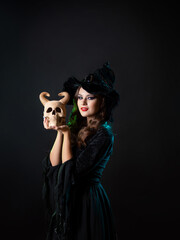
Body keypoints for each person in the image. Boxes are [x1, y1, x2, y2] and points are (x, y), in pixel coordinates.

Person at [42, 62, 120, 240]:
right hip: (69, 201)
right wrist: (61, 132)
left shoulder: (104, 134)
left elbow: (73, 171)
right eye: (79, 97)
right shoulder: (74, 127)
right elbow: (55, 167)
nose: (83, 102)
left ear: (102, 101)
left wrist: (66, 132)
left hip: (87, 203)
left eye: (90, 97)